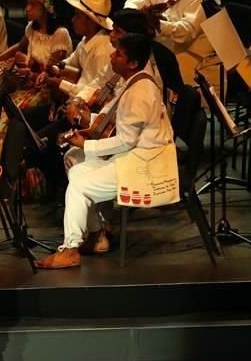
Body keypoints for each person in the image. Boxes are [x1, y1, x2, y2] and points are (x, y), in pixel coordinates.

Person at [36, 34, 174, 269]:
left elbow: (126, 141)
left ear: (132, 63)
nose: (112, 55)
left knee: (79, 185)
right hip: (134, 155)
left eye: (118, 53)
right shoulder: (133, 81)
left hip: (144, 164)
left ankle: (70, 249)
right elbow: (114, 118)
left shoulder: (140, 91)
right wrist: (90, 131)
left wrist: (87, 145)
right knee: (78, 171)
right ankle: (95, 234)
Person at [124, 0, 221, 90]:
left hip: (191, 58)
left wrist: (158, 24)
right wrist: (133, 13)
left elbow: (186, 32)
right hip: (163, 50)